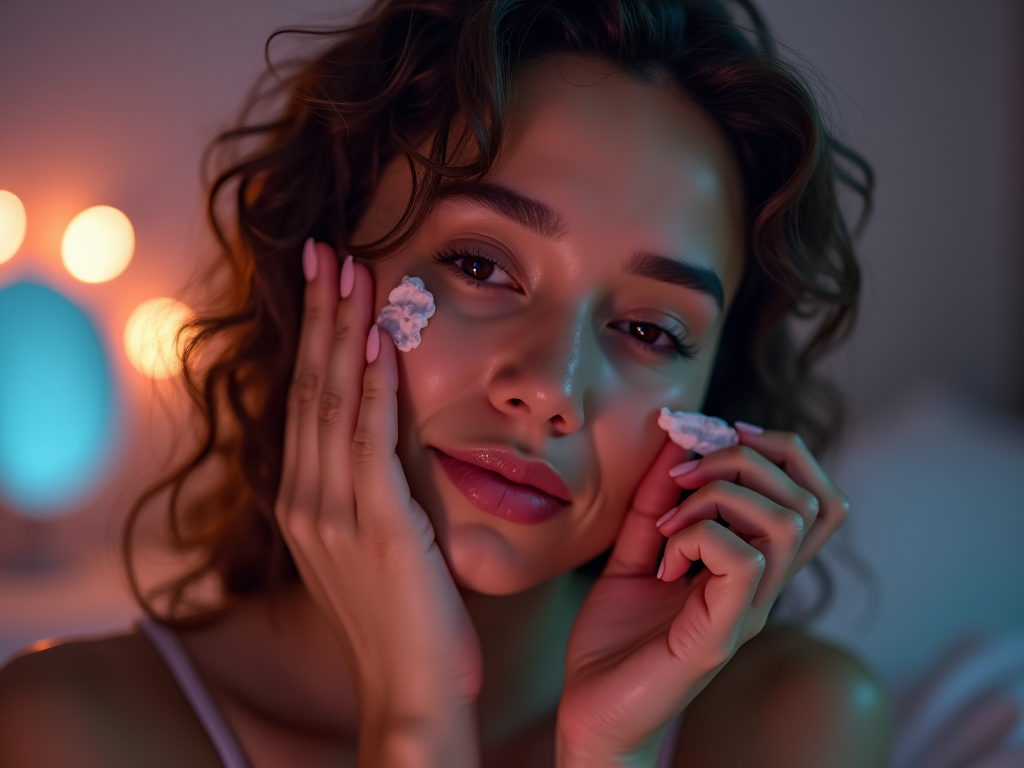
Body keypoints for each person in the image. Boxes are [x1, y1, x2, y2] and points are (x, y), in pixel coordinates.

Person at [0, 0, 891, 765]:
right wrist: (416, 718)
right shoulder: (69, 730)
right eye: (478, 264)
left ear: (709, 403)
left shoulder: (796, 726)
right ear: (327, 261)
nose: (550, 388)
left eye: (650, 330)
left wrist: (608, 752)